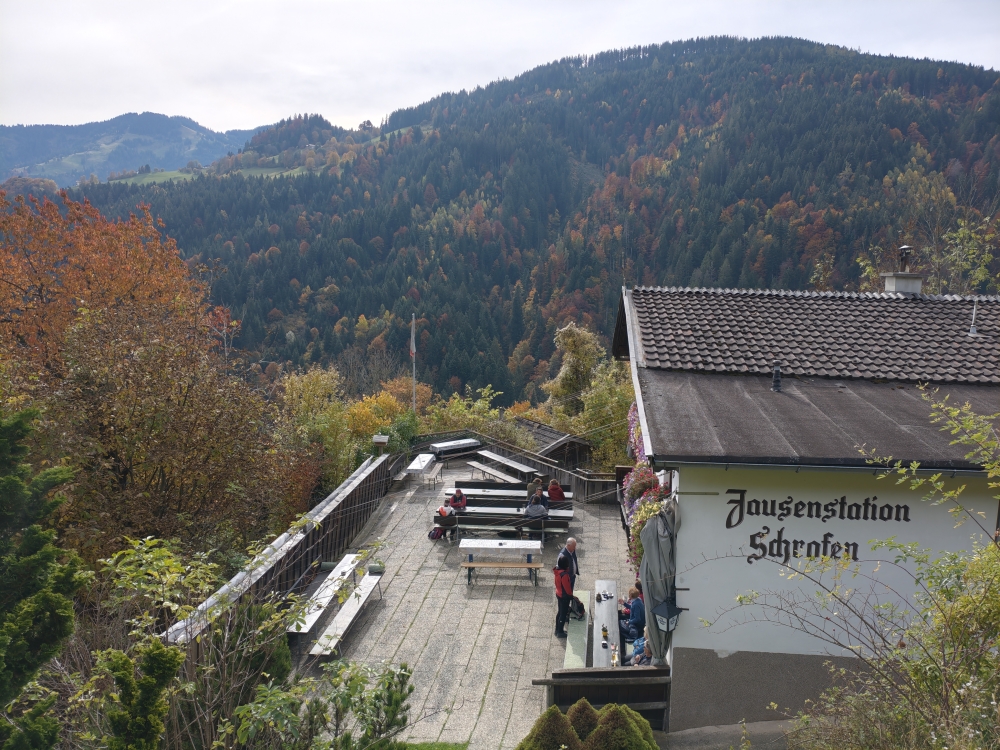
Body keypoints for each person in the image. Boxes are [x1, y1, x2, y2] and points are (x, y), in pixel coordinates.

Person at [553, 555, 573, 638]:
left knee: (559, 612)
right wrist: (571, 595)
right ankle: (560, 632)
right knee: (563, 614)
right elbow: (567, 587)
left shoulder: (557, 572)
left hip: (558, 593)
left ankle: (557, 629)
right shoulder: (564, 575)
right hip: (564, 596)